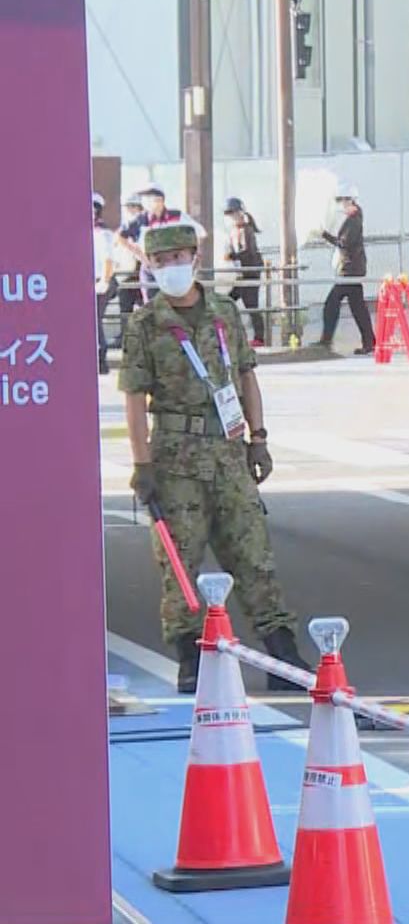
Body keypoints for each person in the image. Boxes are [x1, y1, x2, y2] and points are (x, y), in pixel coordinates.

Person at [118, 220, 311, 693]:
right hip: (175, 460)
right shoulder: (145, 325)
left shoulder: (224, 312)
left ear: (194, 258)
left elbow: (246, 375)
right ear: (150, 267)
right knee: (179, 562)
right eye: (160, 261)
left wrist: (258, 438)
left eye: (177, 258)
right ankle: (190, 657)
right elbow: (134, 399)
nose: (170, 267)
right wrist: (142, 466)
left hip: (227, 452)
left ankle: (281, 651)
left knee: (253, 552)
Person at [318, 186, 374, 354]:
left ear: (350, 201)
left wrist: (324, 235)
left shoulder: (354, 220)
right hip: (352, 269)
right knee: (357, 307)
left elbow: (344, 243)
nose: (341, 206)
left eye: (342, 201)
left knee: (332, 304)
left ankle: (326, 341)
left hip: (350, 270)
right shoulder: (354, 218)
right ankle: (369, 341)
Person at [222, 198, 269, 346]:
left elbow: (247, 252)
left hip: (250, 272)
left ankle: (259, 338)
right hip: (241, 273)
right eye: (229, 214)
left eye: (233, 213)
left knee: (251, 305)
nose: (231, 217)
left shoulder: (246, 230)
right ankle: (229, 333)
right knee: (227, 302)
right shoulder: (234, 231)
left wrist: (232, 256)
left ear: (241, 213)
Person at [93, 195, 117, 374]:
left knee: (95, 319)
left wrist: (105, 280)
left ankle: (101, 359)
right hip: (91, 281)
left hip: (101, 280)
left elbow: (108, 260)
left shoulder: (103, 233)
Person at [112, 197, 146, 320]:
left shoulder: (144, 224)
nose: (128, 210)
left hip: (142, 271)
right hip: (126, 273)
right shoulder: (124, 227)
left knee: (144, 307)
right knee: (126, 308)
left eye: (131, 206)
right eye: (127, 207)